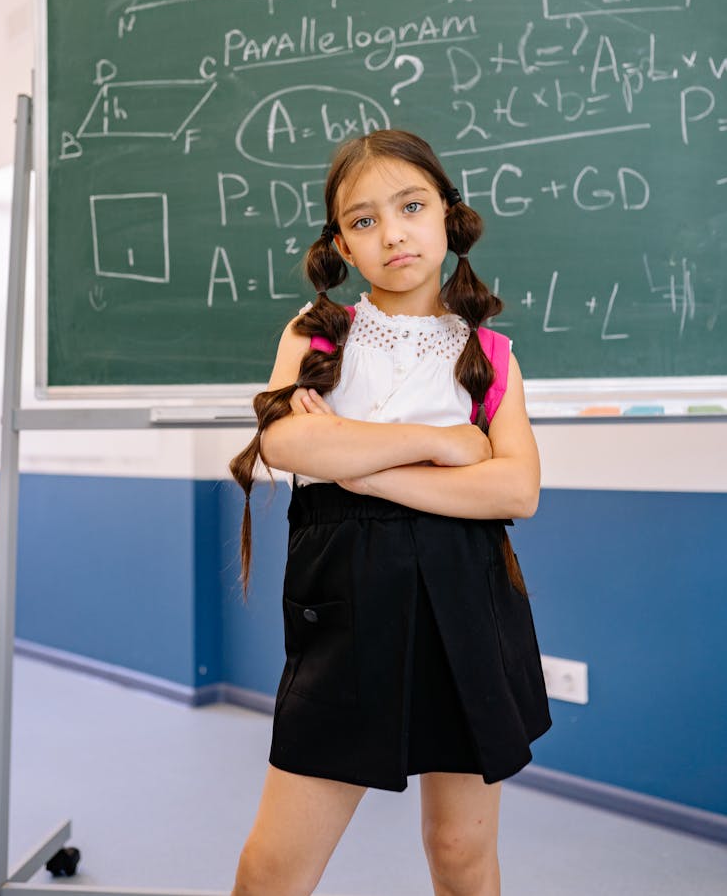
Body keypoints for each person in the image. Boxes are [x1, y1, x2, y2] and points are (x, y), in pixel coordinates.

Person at [228, 128, 551, 896]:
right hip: (344, 607)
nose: (393, 232)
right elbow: (288, 439)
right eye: (364, 220)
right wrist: (439, 443)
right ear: (341, 242)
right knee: (274, 865)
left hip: (470, 601)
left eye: (411, 206)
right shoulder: (319, 333)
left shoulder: (490, 352)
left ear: (448, 213)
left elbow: (516, 490)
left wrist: (364, 470)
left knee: (459, 851)